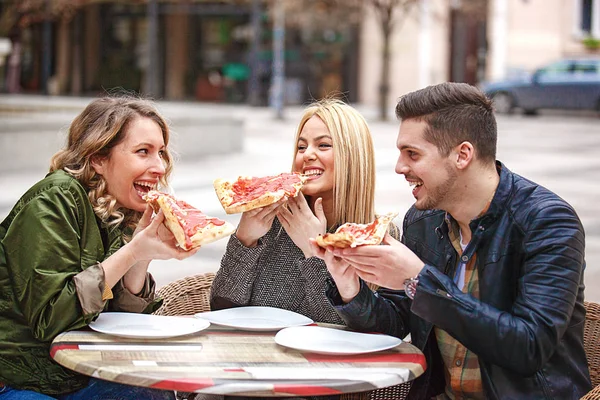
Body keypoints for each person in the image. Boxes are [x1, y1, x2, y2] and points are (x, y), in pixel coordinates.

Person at [312, 82, 592, 399]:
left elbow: (529, 348)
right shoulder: (422, 220)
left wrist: (418, 278)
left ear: (462, 155)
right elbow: (393, 327)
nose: (399, 167)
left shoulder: (548, 223)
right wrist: (348, 284)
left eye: (412, 154)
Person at [0, 96, 198, 399]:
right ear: (98, 159)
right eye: (143, 152)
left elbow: (120, 321)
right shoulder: (53, 200)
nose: (159, 167)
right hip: (26, 379)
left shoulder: (116, 207)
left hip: (80, 373)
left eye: (161, 153)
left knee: (155, 390)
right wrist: (132, 251)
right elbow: (51, 319)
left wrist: (141, 255)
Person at [210, 98, 398, 325]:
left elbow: (349, 329)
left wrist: (314, 252)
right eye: (301, 147)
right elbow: (220, 309)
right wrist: (245, 239)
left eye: (323, 145)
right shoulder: (271, 222)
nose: (306, 155)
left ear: (353, 157)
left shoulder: (381, 236)